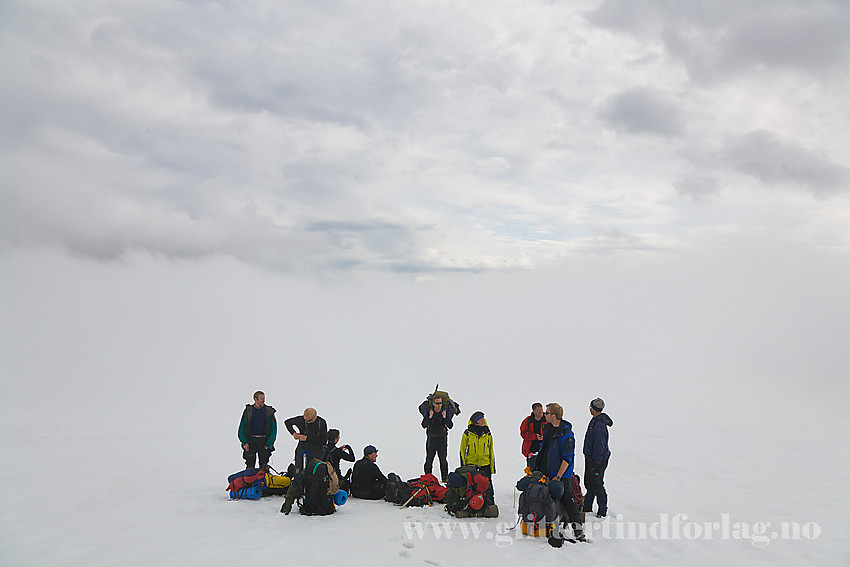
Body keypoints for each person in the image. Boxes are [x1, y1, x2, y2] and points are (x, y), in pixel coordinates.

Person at [534, 402, 585, 541]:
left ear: (554, 416)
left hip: (561, 476)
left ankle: (578, 531)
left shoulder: (567, 434)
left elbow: (567, 458)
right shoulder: (548, 429)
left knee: (568, 500)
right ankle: (549, 527)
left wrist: (558, 476)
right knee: (547, 499)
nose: (545, 414)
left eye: (547, 412)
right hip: (546, 472)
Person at [583, 398, 613, 517]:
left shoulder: (599, 425)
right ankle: (587, 507)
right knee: (590, 483)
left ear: (593, 409)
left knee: (597, 484)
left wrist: (595, 462)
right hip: (594, 459)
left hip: (597, 460)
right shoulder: (596, 421)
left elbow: (599, 445)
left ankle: (602, 510)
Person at [459, 411, 496, 504]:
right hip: (472, 464)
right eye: (481, 419)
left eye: (483, 419)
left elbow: (491, 450)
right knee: (472, 484)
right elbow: (462, 450)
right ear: (476, 421)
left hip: (485, 463)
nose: (483, 420)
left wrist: (492, 467)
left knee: (487, 484)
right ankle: (472, 502)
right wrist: (463, 466)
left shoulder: (487, 433)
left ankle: (490, 502)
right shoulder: (467, 433)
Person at [237, 391, 277, 470]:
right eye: (261, 399)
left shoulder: (269, 412)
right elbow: (242, 427)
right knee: (250, 465)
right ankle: (249, 481)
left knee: (264, 465)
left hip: (264, 440)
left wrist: (269, 443)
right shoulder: (248, 411)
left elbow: (274, 429)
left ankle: (263, 481)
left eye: (264, 398)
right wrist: (244, 442)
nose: (263, 400)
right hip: (251, 440)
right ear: (255, 399)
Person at [420, 394, 454, 482]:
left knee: (443, 459)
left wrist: (445, 417)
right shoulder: (429, 411)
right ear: (433, 404)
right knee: (429, 459)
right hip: (431, 438)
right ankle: (428, 478)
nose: (439, 405)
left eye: (441, 403)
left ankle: (445, 478)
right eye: (437, 403)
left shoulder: (445, 412)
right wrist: (429, 417)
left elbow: (450, 425)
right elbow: (424, 425)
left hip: (442, 439)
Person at [284, 408, 328, 473]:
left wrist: (307, 438)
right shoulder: (301, 420)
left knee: (313, 469)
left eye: (309, 420)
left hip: (316, 448)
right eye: (305, 420)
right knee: (298, 467)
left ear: (315, 417)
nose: (306, 422)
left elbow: (323, 441)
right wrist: (293, 433)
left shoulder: (321, 422)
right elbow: (287, 422)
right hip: (302, 446)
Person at [520, 402, 546, 468]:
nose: (541, 412)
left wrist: (544, 437)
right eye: (538, 410)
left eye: (541, 409)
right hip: (531, 449)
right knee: (531, 470)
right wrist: (535, 437)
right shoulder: (527, 421)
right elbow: (523, 434)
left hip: (544, 449)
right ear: (533, 411)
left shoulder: (547, 419)